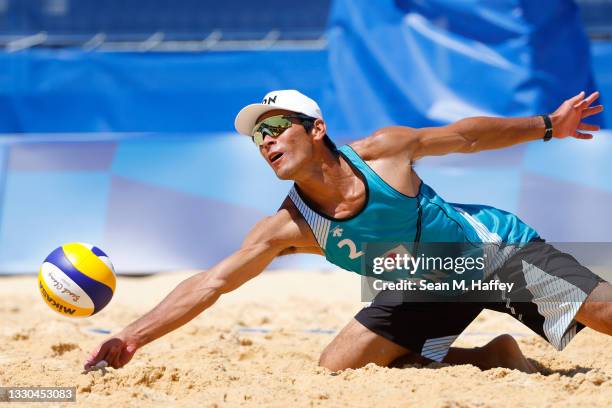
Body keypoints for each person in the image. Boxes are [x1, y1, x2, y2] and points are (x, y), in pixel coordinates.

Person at [85, 89, 611, 374]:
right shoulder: (288, 226)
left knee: (604, 313)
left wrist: (547, 125)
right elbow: (211, 282)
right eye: (257, 137)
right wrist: (131, 336)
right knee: (340, 366)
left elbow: (466, 136)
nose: (265, 142)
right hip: (426, 283)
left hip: (491, 252)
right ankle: (490, 356)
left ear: (317, 130)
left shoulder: (385, 152)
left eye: (275, 128)